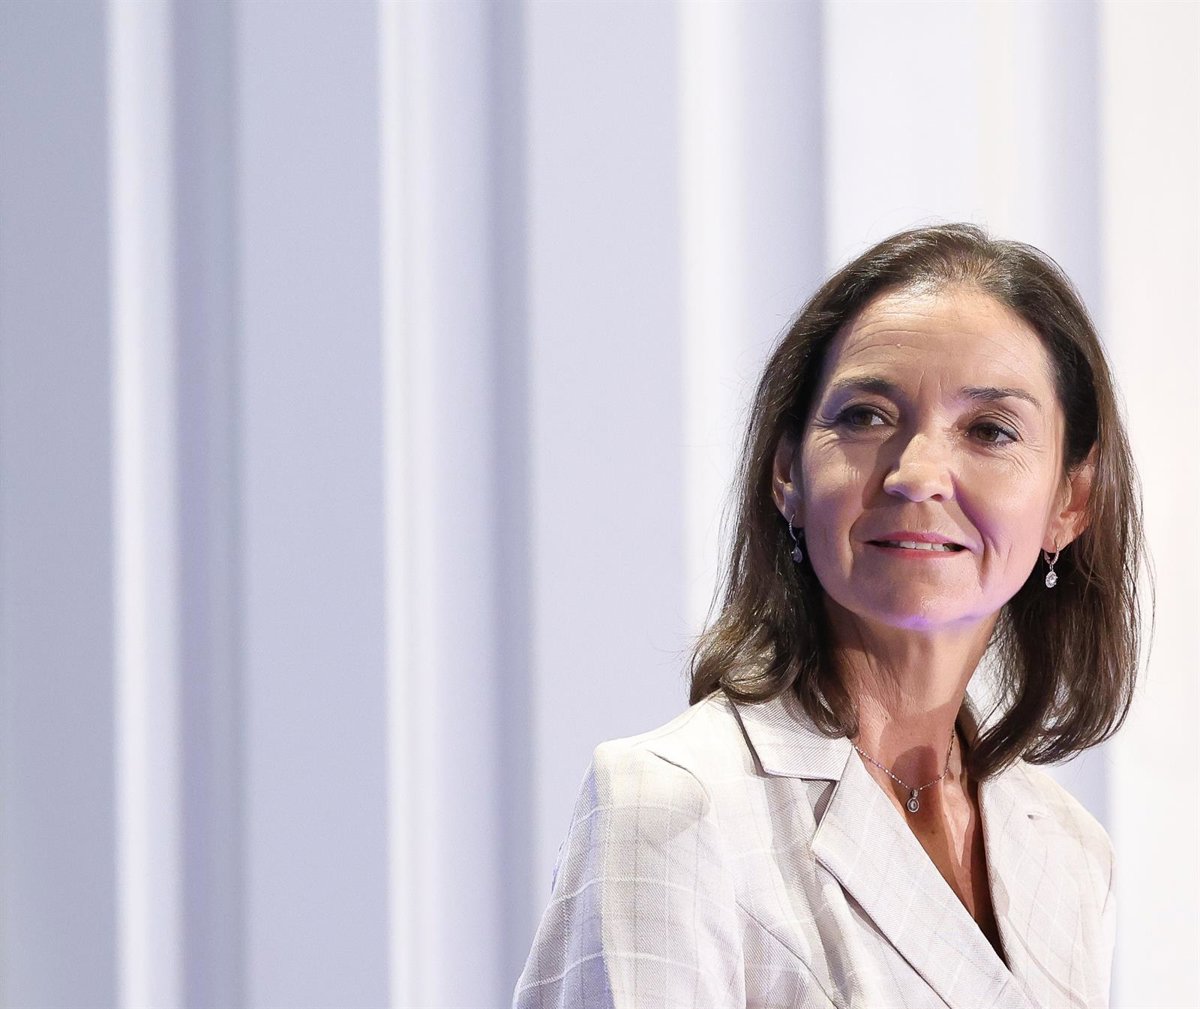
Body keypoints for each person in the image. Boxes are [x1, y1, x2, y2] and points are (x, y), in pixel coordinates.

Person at [512, 224, 1146, 1009]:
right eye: (867, 416)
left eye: (990, 430)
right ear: (788, 472)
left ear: (1070, 502)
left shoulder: (1070, 850)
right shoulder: (672, 803)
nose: (917, 473)